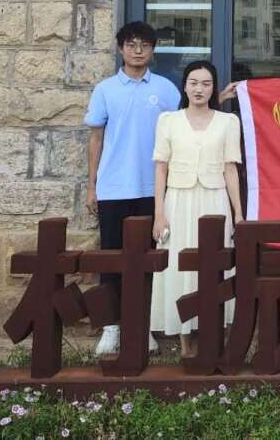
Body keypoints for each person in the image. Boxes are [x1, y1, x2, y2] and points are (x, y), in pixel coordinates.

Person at [84, 21, 181, 357]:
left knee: (150, 261)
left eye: (144, 45)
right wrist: (92, 186)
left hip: (153, 190)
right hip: (113, 188)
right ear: (120, 49)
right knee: (111, 260)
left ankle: (144, 326)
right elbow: (96, 139)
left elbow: (181, 134)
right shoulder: (105, 90)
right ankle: (111, 328)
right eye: (131, 44)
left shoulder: (167, 90)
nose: (138, 50)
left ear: (153, 50)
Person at [150, 60, 245, 358]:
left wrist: (239, 214)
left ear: (214, 88)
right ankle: (184, 340)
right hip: (178, 200)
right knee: (179, 265)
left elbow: (231, 169)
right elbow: (160, 169)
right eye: (193, 83)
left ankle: (214, 335)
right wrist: (159, 214)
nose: (199, 89)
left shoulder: (228, 122)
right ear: (184, 86)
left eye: (206, 83)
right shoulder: (168, 120)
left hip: (215, 200)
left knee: (216, 265)